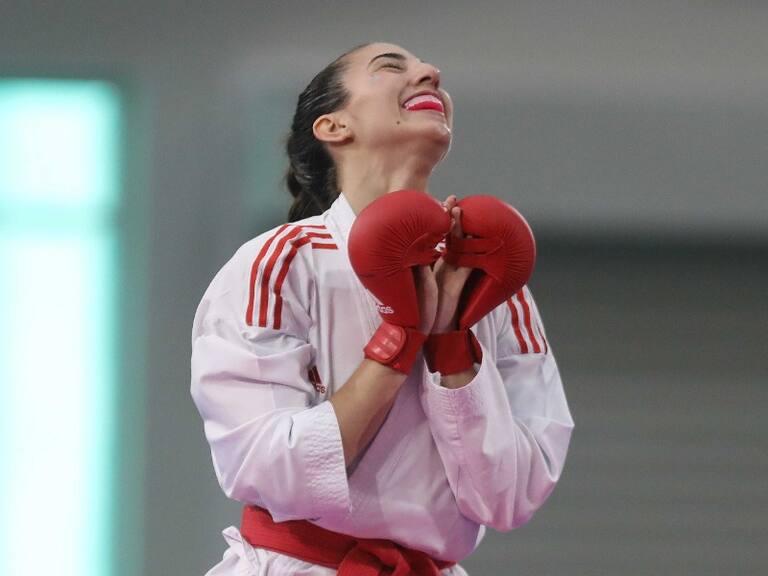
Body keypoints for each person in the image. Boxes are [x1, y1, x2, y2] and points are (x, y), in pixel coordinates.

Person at [191, 42, 574, 575]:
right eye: (392, 66)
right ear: (333, 127)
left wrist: (452, 343)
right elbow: (266, 466)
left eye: (428, 69)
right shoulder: (279, 263)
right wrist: (398, 340)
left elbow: (514, 496)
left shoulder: (491, 277)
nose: (432, 72)